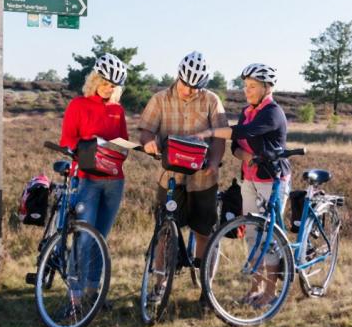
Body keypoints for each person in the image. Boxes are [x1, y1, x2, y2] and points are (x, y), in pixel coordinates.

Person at [196, 63, 290, 308]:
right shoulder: (248, 110)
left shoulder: (272, 113)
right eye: (245, 86)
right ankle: (255, 288)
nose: (246, 91)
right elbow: (237, 145)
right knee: (251, 233)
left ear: (266, 88)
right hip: (249, 179)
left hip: (272, 180)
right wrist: (244, 156)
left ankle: (270, 292)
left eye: (252, 86)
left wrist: (210, 132)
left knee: (269, 236)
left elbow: (245, 132)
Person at [138, 51, 228, 308]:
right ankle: (159, 284)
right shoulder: (160, 99)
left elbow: (220, 135)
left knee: (204, 233)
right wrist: (149, 143)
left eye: (195, 86)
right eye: (186, 83)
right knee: (164, 232)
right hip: (170, 179)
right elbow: (145, 130)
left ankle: (205, 288)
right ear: (178, 75)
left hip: (203, 179)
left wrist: (214, 161)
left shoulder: (211, 100)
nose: (189, 90)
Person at [59, 53, 128, 304]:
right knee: (84, 236)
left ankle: (93, 291)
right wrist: (90, 145)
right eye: (106, 84)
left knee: (101, 237)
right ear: (95, 80)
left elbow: (123, 144)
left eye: (114, 86)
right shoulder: (78, 105)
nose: (109, 90)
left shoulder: (117, 110)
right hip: (87, 178)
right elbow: (66, 140)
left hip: (114, 180)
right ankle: (75, 294)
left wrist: (120, 149)